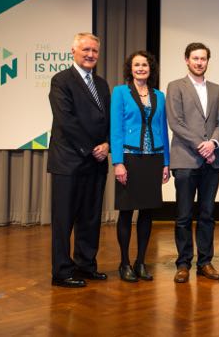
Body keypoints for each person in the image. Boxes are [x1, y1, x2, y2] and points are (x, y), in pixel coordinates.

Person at [48, 32, 110, 288]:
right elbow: (66, 120)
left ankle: (86, 265)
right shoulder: (61, 80)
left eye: (94, 51)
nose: (90, 55)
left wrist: (107, 144)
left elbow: (109, 120)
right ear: (73, 51)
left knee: (90, 218)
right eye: (86, 50)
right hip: (69, 161)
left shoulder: (102, 84)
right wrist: (90, 148)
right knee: (64, 219)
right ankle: (62, 272)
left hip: (97, 162)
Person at [166, 42, 219, 284]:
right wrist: (202, 145)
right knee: (183, 215)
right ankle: (183, 264)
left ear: (207, 61)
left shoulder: (218, 90)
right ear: (187, 60)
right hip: (185, 160)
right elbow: (176, 122)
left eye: (203, 59)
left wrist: (213, 143)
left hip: (212, 161)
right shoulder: (175, 86)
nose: (199, 62)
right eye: (195, 58)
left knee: (207, 214)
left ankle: (205, 263)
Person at [110, 51, 170, 282]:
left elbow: (162, 129)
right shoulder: (120, 92)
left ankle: (141, 262)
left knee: (147, 212)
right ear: (130, 68)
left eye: (145, 64)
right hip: (130, 158)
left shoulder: (159, 95)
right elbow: (116, 128)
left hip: (153, 159)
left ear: (150, 68)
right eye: (137, 65)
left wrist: (166, 162)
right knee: (126, 212)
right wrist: (118, 162)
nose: (141, 68)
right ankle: (124, 263)